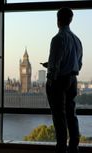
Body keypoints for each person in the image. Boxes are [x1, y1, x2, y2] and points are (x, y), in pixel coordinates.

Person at [45, 7, 83, 153]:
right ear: (71, 20)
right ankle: (74, 147)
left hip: (59, 81)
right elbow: (78, 64)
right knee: (71, 114)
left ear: (58, 20)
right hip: (73, 80)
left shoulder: (58, 38)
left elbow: (54, 65)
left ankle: (61, 147)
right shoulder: (77, 40)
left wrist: (50, 82)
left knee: (59, 116)